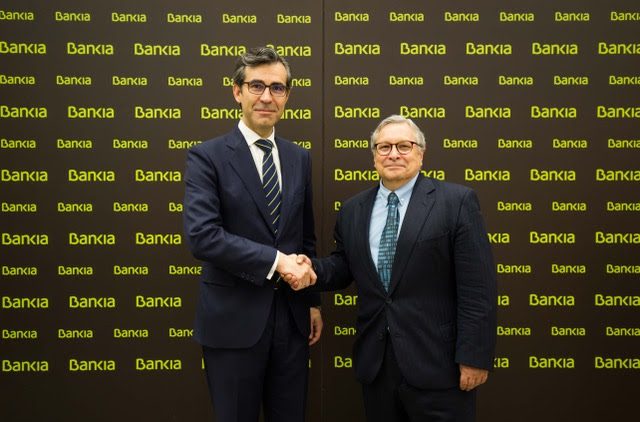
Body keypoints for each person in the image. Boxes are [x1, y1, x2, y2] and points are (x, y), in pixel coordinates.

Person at [291, 115, 497, 421]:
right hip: (377, 367)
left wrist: (474, 357)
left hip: (439, 366)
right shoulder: (352, 210)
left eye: (404, 146)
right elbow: (344, 266)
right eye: (384, 147)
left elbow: (478, 289)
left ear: (420, 153)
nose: (393, 154)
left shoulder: (456, 202)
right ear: (374, 156)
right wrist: (312, 270)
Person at [183, 46, 322, 422]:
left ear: (287, 96)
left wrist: (311, 302)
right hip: (233, 322)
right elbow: (203, 236)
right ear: (237, 91)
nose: (266, 97)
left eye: (277, 88)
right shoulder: (206, 156)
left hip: (292, 321)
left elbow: (305, 237)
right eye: (256, 85)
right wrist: (277, 262)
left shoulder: (299, 157)